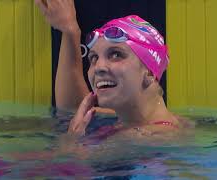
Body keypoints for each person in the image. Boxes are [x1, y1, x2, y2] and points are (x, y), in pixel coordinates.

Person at [35, 0, 191, 140]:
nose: (99, 68)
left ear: (149, 72)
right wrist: (69, 31)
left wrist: (72, 142)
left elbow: (70, 166)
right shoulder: (178, 122)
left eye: (116, 55)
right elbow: (75, 111)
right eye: (94, 58)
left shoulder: (138, 137)